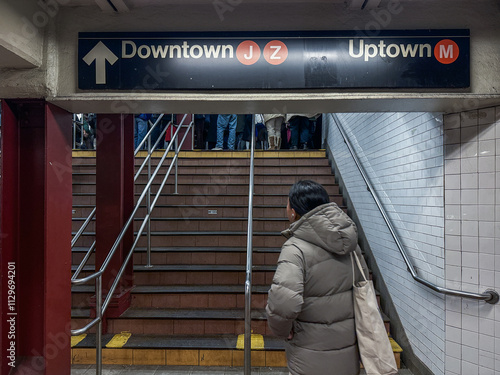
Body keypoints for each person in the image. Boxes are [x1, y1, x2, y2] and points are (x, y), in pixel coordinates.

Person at [266, 180, 368, 375]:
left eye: (287, 204)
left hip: (309, 354)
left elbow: (283, 304)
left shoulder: (295, 249)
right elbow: (363, 285)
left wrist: (282, 330)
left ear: (293, 211)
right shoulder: (351, 244)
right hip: (347, 349)